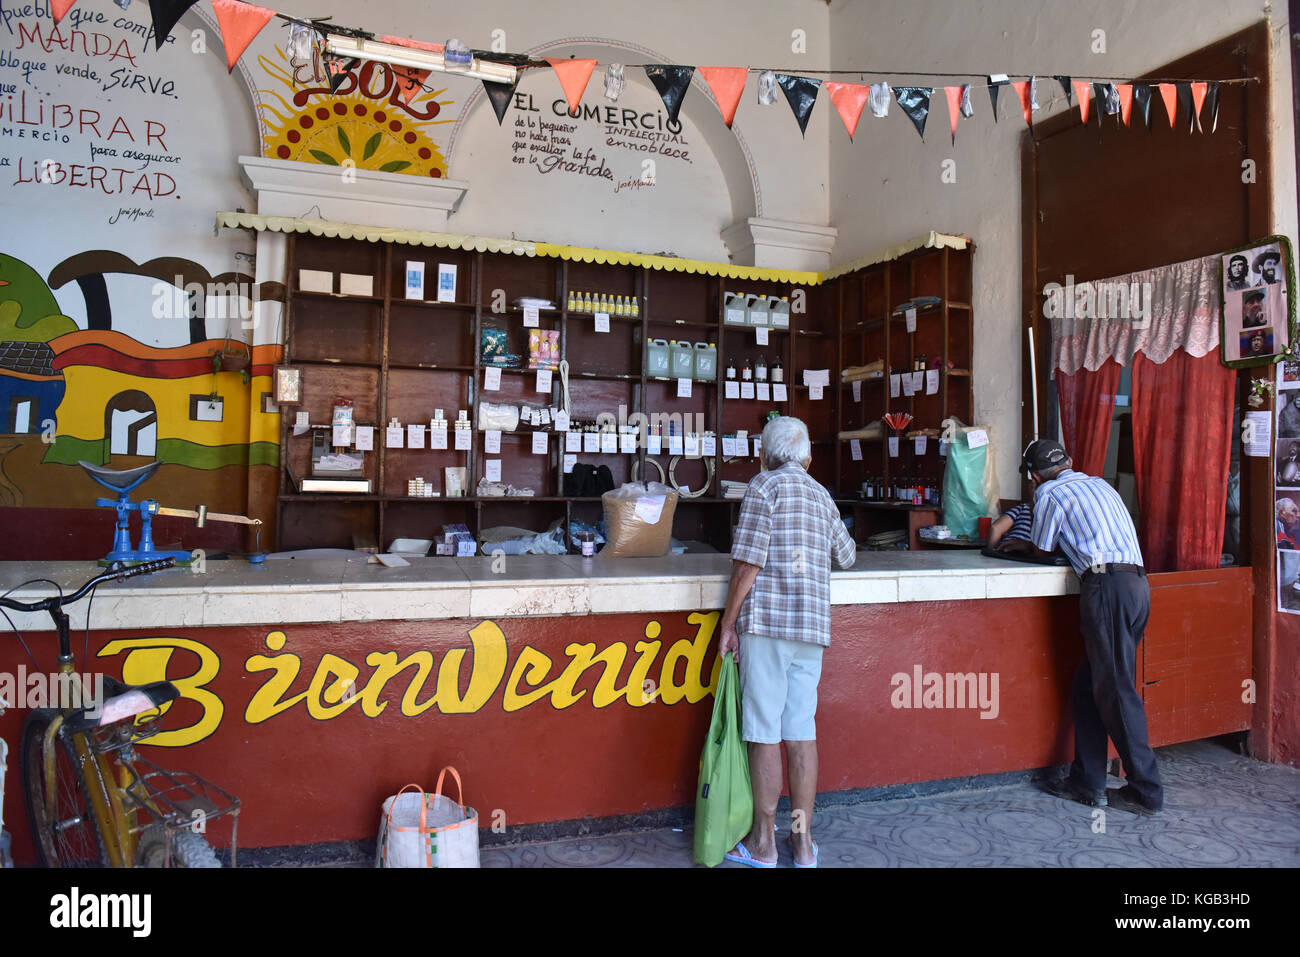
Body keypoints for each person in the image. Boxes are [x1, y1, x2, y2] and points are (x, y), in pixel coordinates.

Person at [717, 416, 856, 867]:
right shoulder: (821, 494)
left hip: (769, 628)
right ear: (809, 458)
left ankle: (763, 844)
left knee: (763, 733)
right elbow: (848, 555)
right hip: (811, 631)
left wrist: (727, 624)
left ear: (764, 457)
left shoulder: (763, 487)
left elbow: (749, 564)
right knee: (800, 733)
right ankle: (802, 844)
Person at [1022, 438, 1164, 815]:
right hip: (1137, 587)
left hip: (1106, 589)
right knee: (1090, 686)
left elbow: (1042, 547)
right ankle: (1086, 781)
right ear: (1070, 460)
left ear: (1033, 477)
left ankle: (1145, 791)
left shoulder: (1049, 494)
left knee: (1117, 691)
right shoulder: (1100, 484)